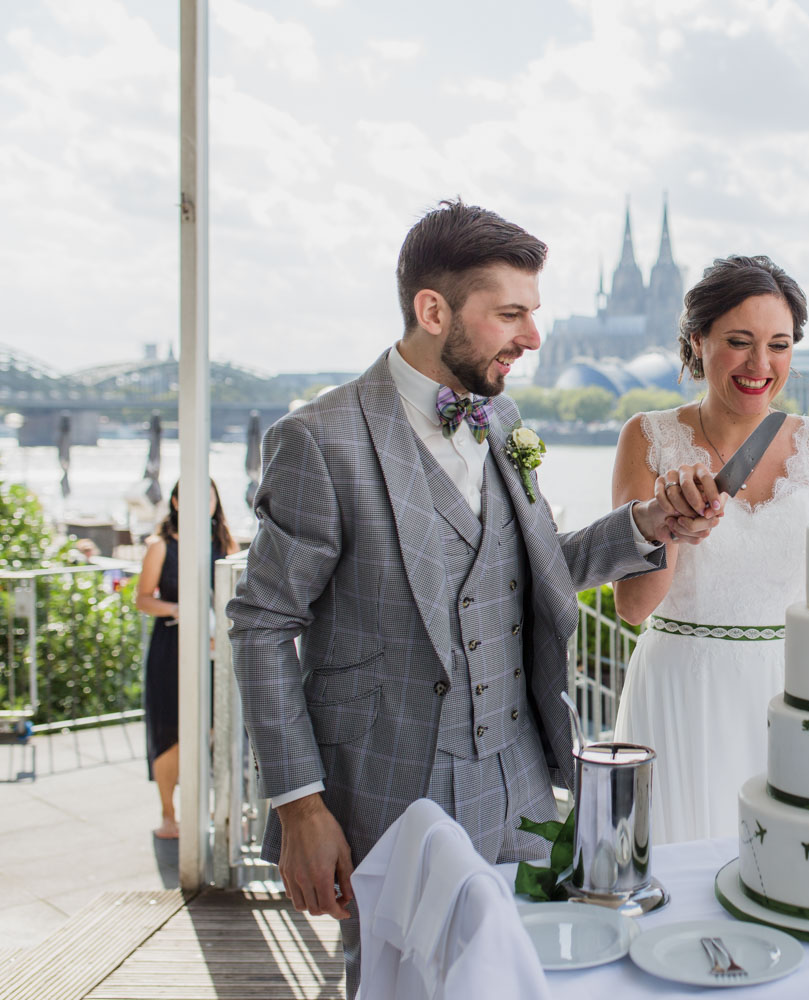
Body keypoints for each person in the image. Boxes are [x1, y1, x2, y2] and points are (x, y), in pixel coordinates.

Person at [227, 199, 717, 994]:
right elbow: (260, 627)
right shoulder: (318, 440)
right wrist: (299, 807)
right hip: (387, 788)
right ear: (433, 310)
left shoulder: (501, 416)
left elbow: (526, 569)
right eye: (512, 314)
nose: (534, 338)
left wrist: (648, 522)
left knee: (535, 976)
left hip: (518, 775)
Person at [611, 255, 809, 844]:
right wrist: (669, 524)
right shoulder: (647, 437)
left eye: (779, 344)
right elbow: (633, 608)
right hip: (679, 690)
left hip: (790, 695)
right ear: (699, 341)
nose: (760, 365)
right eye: (739, 342)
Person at [139, 479, 237, 840]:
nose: (202, 503)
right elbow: (143, 599)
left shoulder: (225, 545)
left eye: (208, 496)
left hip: (214, 647)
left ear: (215, 502)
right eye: (194, 497)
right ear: (177, 502)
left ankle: (214, 806)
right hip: (171, 647)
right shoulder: (160, 546)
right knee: (169, 728)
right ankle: (169, 814)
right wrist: (182, 609)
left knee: (214, 726)